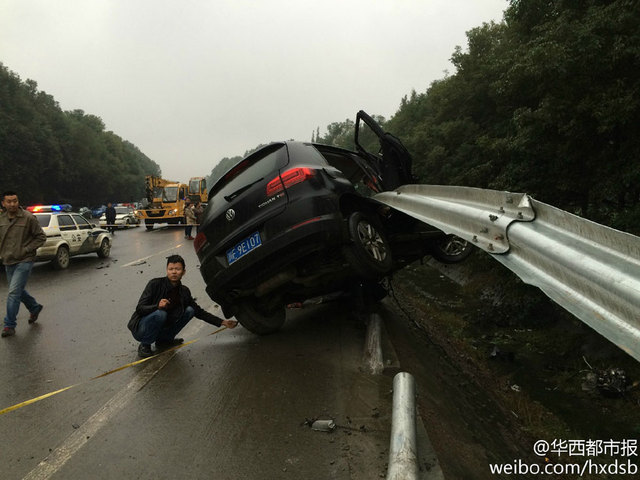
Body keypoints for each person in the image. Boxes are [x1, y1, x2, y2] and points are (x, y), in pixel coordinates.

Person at [128, 254, 237, 358]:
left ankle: (164, 340)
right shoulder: (155, 284)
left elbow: (199, 312)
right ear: (167, 270)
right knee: (160, 314)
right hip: (141, 329)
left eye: (177, 269)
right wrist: (157, 306)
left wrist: (223, 322)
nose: (174, 272)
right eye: (171, 269)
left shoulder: (184, 291)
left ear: (183, 272)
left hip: (161, 329)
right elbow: (140, 309)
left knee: (190, 310)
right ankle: (144, 345)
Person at [0, 191, 47, 337]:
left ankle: (9, 325)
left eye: (15, 201)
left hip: (25, 260)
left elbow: (41, 237)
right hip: (8, 260)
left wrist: (25, 249)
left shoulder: (28, 218)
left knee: (13, 292)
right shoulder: (1, 219)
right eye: (9, 201)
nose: (12, 204)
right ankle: (34, 307)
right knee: (18, 291)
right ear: (3, 203)